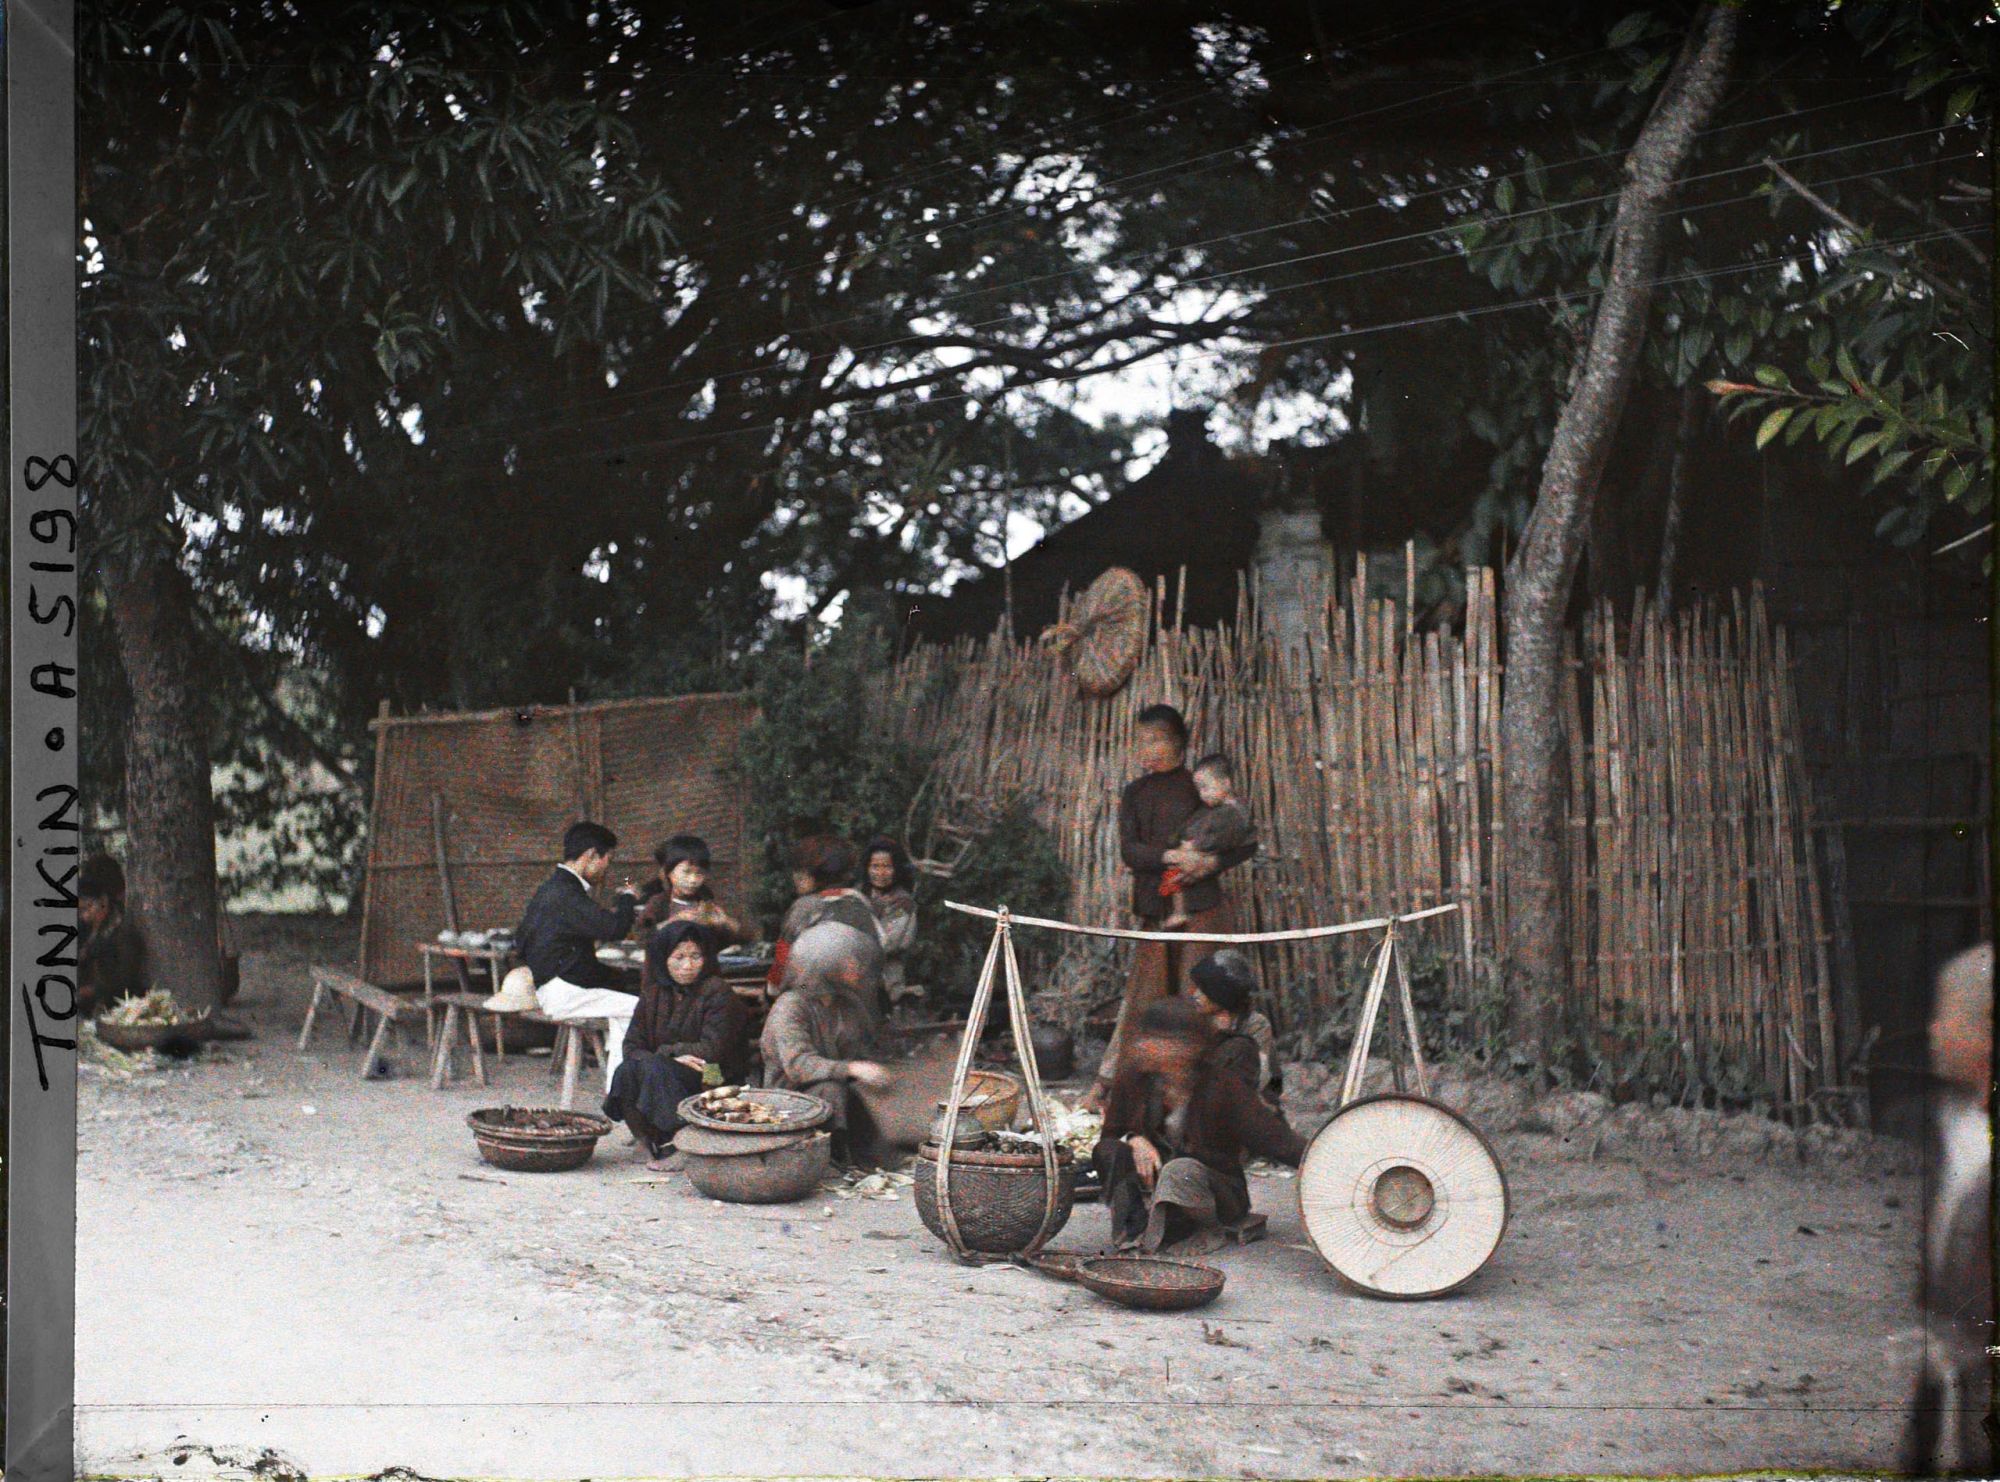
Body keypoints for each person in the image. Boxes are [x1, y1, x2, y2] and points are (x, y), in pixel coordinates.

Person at [1082, 703, 1257, 1111]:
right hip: (1155, 909)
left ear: (1180, 741)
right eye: (1142, 741)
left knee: (1202, 999)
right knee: (1145, 1000)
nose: (1149, 749)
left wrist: (1213, 862)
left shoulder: (1198, 786)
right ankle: (1119, 1093)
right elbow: (1130, 852)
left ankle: (1206, 1101)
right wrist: (1170, 858)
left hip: (1201, 909)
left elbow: (1243, 839)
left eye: (1158, 739)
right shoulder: (1135, 793)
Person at [1091, 997, 1306, 1255]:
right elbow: (1111, 1134)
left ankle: (1206, 1228)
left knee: (1179, 1170)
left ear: (1185, 1048)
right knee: (1109, 1150)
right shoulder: (1134, 1079)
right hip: (1161, 1187)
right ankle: (1132, 1232)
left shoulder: (1222, 1086)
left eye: (1153, 1039)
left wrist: (1327, 1162)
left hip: (1215, 1191)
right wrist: (1133, 1139)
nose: (1141, 1046)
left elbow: (1277, 1141)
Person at [604, 919, 751, 1171]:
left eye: (696, 956)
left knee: (654, 1067)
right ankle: (645, 1139)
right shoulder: (654, 993)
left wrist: (667, 1053)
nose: (688, 966)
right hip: (666, 1067)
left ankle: (684, 1145)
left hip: (715, 1072)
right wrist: (667, 1058)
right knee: (628, 1069)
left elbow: (713, 1050)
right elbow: (631, 1046)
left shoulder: (717, 991)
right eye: (679, 957)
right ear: (664, 960)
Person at [515, 821, 643, 1091]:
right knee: (639, 1009)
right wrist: (628, 897)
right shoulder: (566, 894)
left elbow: (520, 940)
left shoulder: (549, 889)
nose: (607, 869)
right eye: (607, 860)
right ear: (591, 856)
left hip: (550, 987)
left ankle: (617, 1084)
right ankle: (619, 1090)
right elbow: (615, 928)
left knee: (624, 1001)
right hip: (564, 993)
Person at [760, 920, 893, 1166]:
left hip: (839, 1092)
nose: (857, 965)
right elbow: (798, 1065)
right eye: (848, 960)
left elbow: (865, 1050)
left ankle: (865, 1157)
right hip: (789, 1097)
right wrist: (852, 1069)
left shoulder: (848, 1005)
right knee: (831, 1090)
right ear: (824, 965)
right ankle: (829, 1159)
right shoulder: (791, 1006)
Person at [767, 834, 882, 995]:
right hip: (859, 993)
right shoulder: (860, 902)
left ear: (808, 875)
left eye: (799, 871)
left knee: (794, 994)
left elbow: (783, 957)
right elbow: (879, 947)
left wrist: (771, 992)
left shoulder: (804, 907)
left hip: (810, 992)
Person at [1159, 754, 1255, 930]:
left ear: (1226, 783)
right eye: (1200, 789)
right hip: (1207, 859)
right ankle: (1178, 908)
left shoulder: (1227, 814)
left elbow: (1218, 838)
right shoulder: (1224, 809)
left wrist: (1192, 846)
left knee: (1176, 873)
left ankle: (1179, 911)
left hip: (1208, 861)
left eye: (1206, 788)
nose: (1203, 794)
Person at [1185, 949, 1284, 1107]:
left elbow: (1261, 1076)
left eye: (1204, 990)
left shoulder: (1255, 1024)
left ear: (1222, 994)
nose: (1195, 995)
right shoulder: (1196, 1022)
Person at [636, 833, 746, 945]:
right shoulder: (659, 902)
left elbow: (745, 938)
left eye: (699, 873)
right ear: (668, 872)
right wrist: (673, 922)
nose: (693, 880)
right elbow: (642, 937)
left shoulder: (710, 901)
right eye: (686, 872)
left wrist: (725, 923)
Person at [79, 854, 148, 1017]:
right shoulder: (87, 929)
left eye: (88, 907)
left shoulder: (121, 932)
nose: (84, 916)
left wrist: (90, 991)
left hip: (117, 1007)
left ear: (103, 901)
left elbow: (123, 980)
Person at [862, 835, 920, 1009]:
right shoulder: (859, 895)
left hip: (886, 982)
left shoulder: (903, 903)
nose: (880, 873)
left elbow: (887, 944)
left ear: (897, 869)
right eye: (875, 866)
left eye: (887, 867)